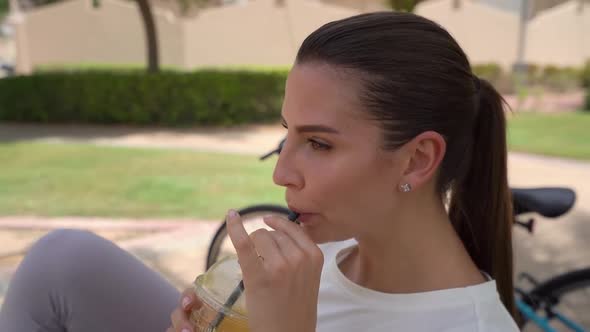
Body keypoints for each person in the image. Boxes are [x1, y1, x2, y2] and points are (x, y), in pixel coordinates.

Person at [0, 12, 519, 332]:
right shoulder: (321, 262)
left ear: (417, 158)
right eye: (286, 134)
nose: (282, 174)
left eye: (318, 142)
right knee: (63, 260)